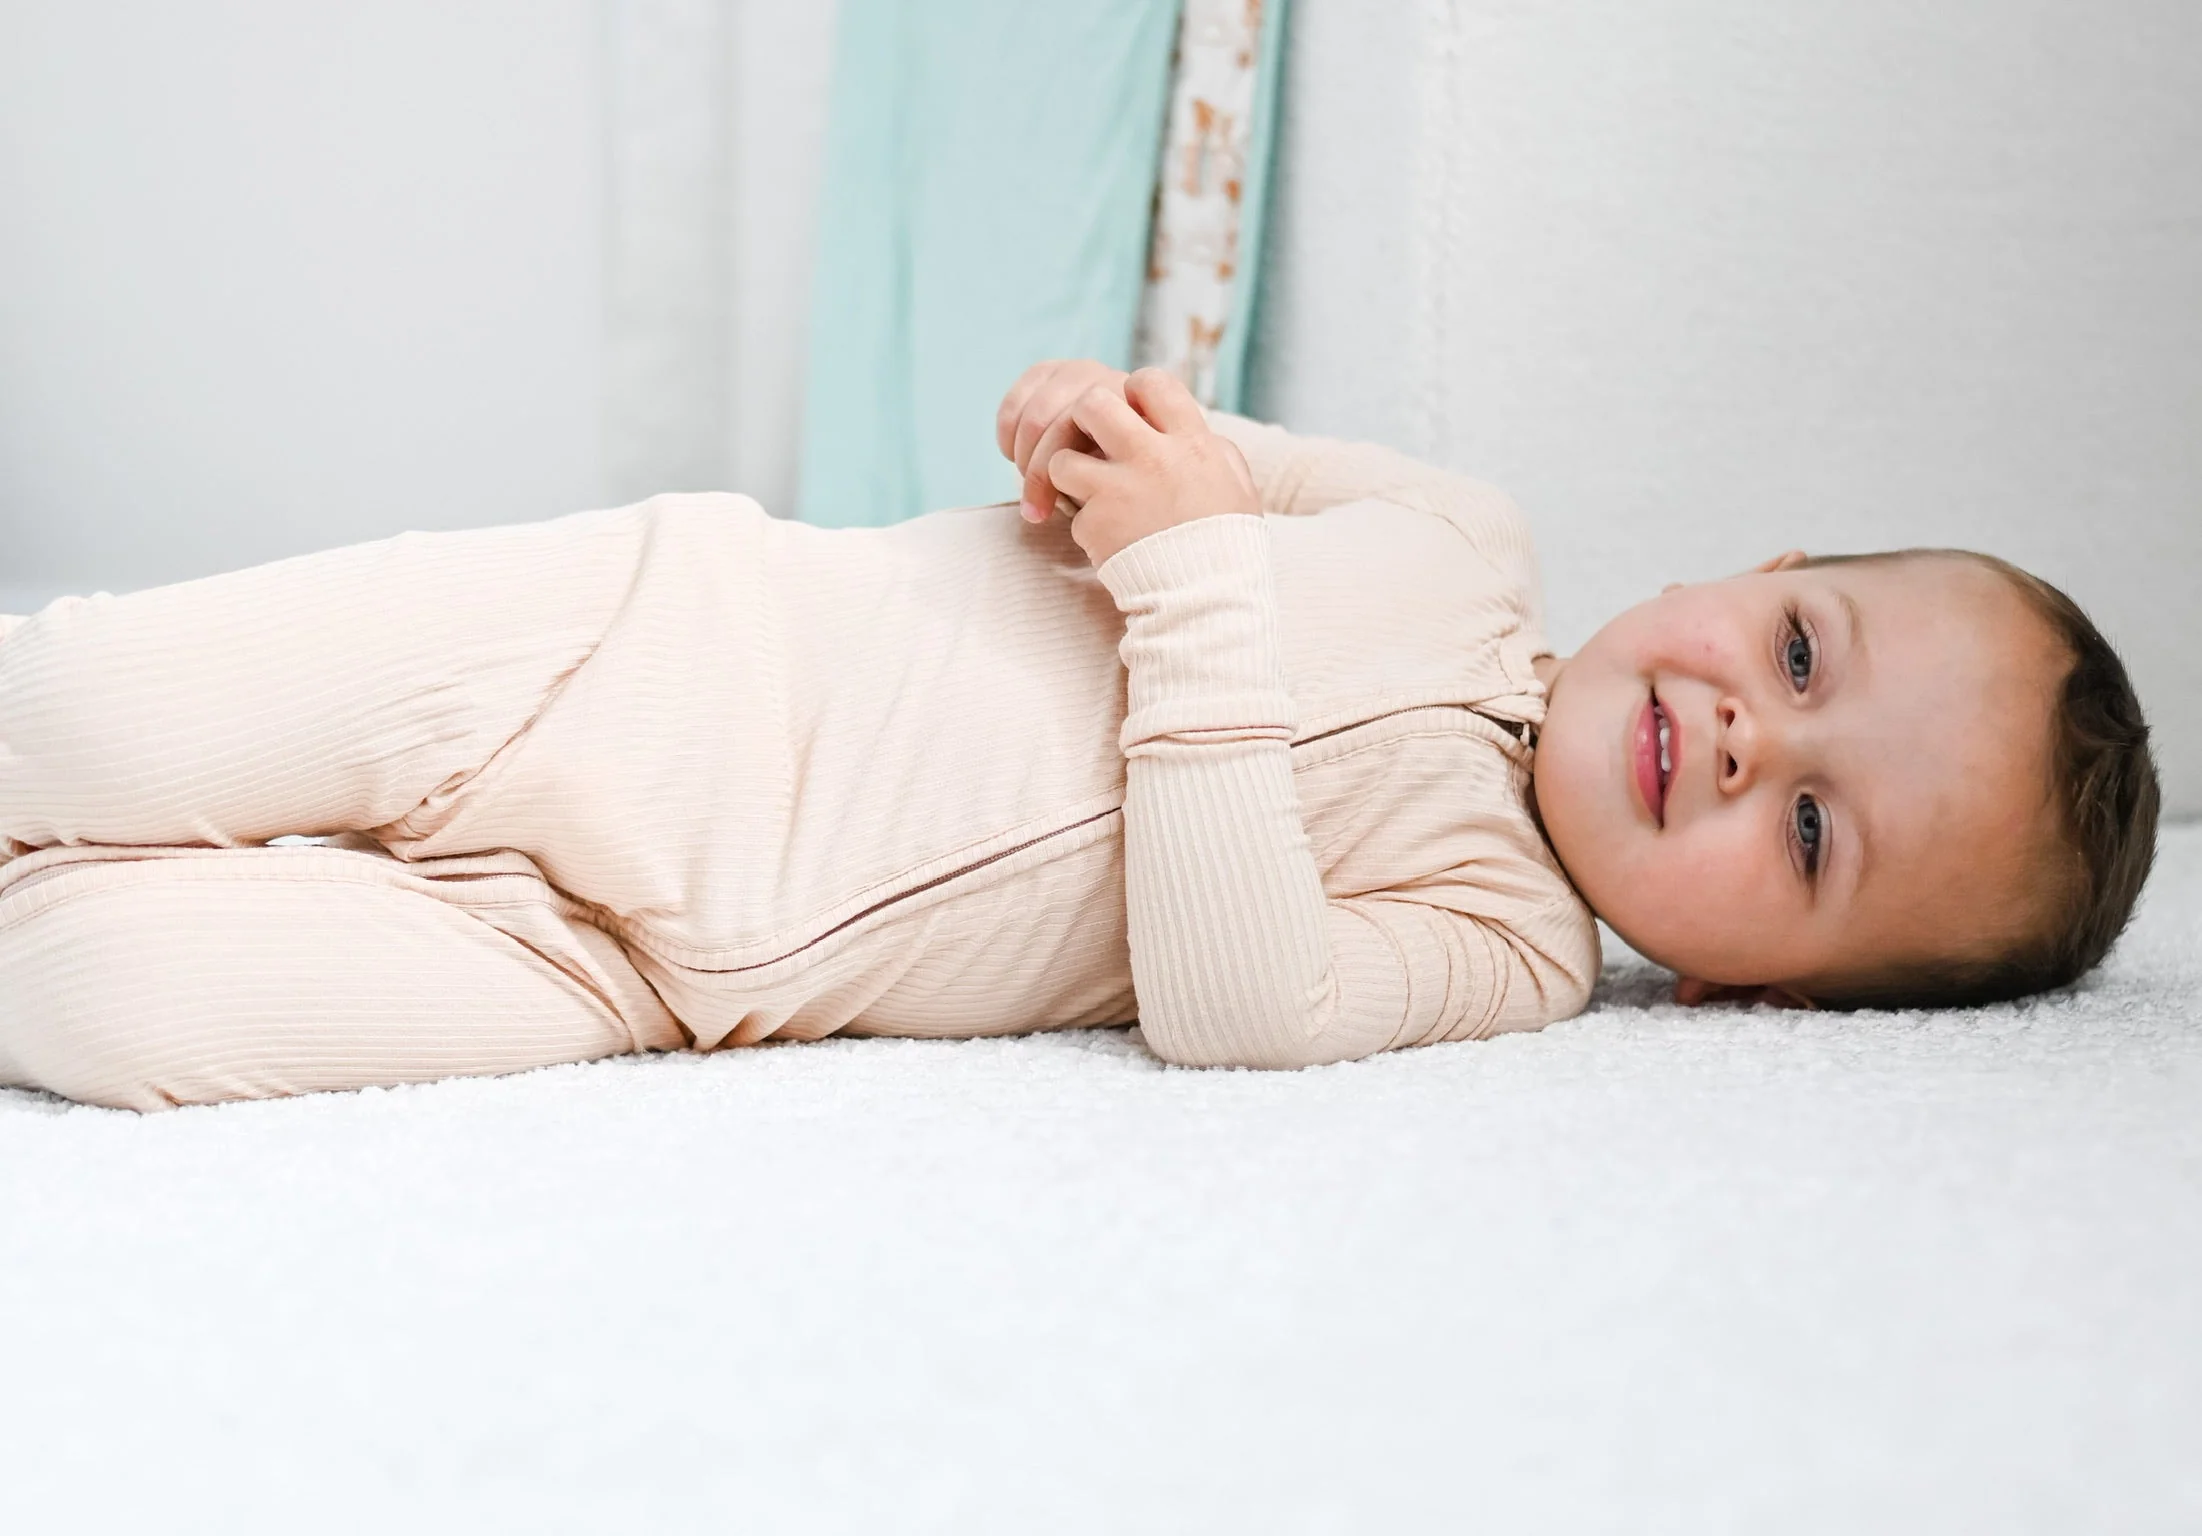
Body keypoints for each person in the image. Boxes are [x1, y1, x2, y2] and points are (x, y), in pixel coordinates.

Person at [0, 362, 2160, 1110]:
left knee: (110, 1002)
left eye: (1814, 838)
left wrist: (1197, 593)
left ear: (1760, 994)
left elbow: (1237, 1002)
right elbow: (1169, 458)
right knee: (82, 713)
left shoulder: (1501, 948)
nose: (1749, 740)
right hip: (648, 650)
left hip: (660, 974)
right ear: (1755, 568)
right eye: (1795, 652)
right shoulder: (1456, 535)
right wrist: (1080, 424)